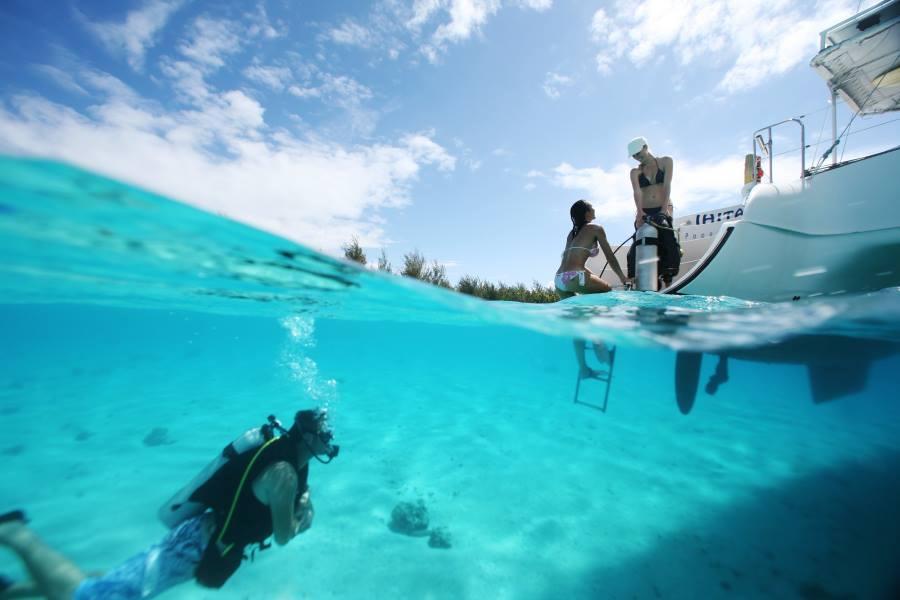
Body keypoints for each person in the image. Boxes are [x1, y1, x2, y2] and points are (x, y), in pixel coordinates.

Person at [0, 408, 339, 600]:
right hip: (197, 547)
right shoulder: (285, 474)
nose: (331, 440)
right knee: (92, 597)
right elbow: (283, 535)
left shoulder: (293, 459)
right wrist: (303, 519)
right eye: (327, 434)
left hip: (204, 539)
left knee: (121, 582)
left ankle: (13, 590)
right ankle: (15, 533)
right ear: (308, 436)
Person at [627, 137, 679, 287]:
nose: (637, 157)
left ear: (645, 147)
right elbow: (637, 192)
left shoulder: (666, 161)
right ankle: (640, 279)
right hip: (644, 211)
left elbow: (667, 185)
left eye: (638, 152)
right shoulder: (635, 172)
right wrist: (639, 212)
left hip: (663, 207)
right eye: (634, 156)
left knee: (667, 240)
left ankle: (668, 282)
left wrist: (664, 209)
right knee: (640, 241)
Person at [555, 199, 630, 297]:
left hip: (558, 280)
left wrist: (594, 277)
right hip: (575, 277)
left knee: (575, 311)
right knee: (608, 293)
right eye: (592, 207)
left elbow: (573, 263)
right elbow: (609, 256)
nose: (594, 209)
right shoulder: (595, 228)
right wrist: (622, 277)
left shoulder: (571, 234)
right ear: (587, 213)